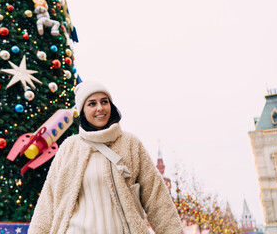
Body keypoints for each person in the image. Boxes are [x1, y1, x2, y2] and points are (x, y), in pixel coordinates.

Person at [28, 81, 184, 234]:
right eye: (91, 104)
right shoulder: (69, 148)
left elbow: (157, 199)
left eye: (104, 101)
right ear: (82, 110)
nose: (100, 108)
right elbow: (47, 203)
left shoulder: (130, 144)